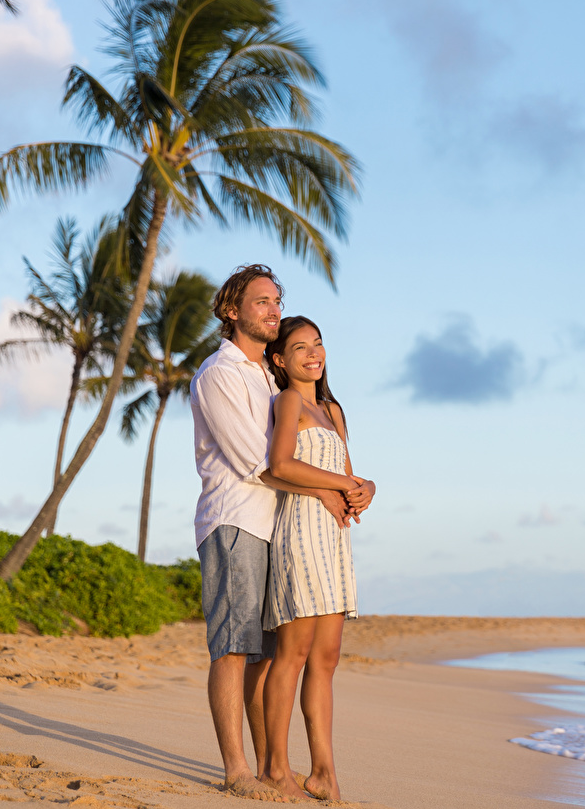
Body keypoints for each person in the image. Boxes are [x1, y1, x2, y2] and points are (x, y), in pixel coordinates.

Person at [190, 265, 374, 798]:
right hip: (235, 520)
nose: (272, 310)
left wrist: (349, 487)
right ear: (233, 311)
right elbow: (259, 462)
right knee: (232, 645)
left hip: (277, 525)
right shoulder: (220, 374)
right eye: (261, 302)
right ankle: (236, 770)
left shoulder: (270, 380)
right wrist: (333, 487)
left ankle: (275, 766)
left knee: (267, 655)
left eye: (277, 301)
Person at [258, 315, 367, 801]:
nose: (313, 353)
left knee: (326, 659)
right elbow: (278, 465)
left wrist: (365, 489)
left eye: (318, 344)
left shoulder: (332, 409)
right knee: (294, 653)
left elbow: (348, 473)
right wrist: (341, 485)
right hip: (300, 531)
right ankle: (276, 768)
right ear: (281, 360)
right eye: (300, 347)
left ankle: (324, 771)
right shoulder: (288, 401)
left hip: (335, 538)